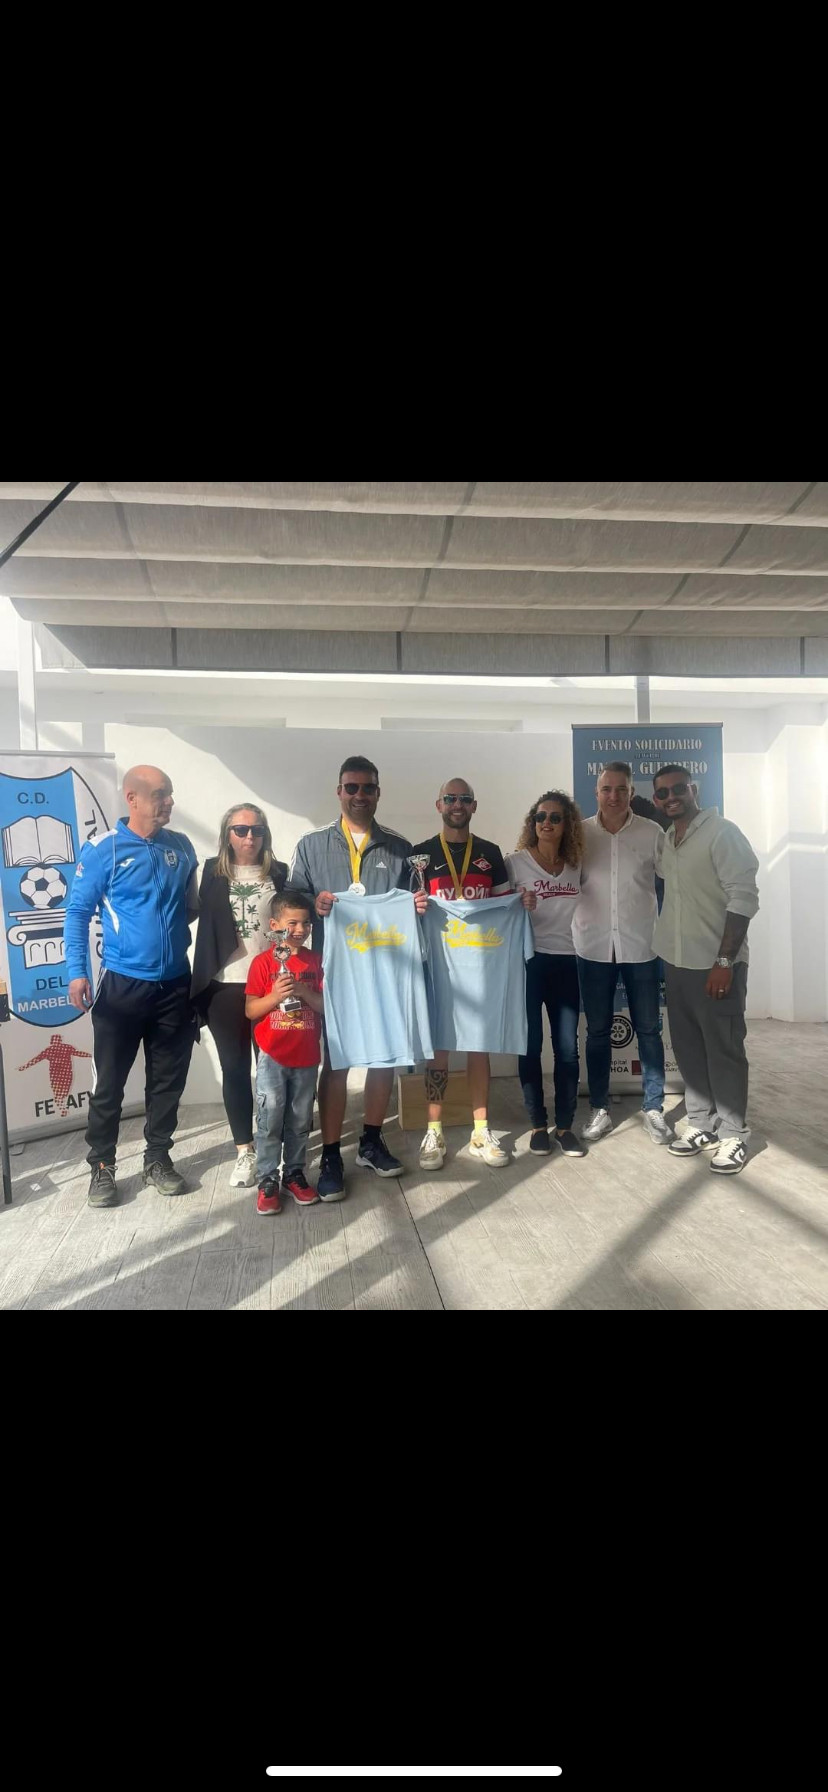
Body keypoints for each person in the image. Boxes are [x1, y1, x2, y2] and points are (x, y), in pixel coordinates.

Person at [64, 764, 199, 1208]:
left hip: (174, 986)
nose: (169, 802)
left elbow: (191, 907)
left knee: (167, 1082)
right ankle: (102, 1166)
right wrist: (77, 971)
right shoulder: (103, 848)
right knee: (109, 1085)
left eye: (171, 793)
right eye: (160, 794)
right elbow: (77, 913)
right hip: (122, 986)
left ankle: (157, 1158)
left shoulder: (182, 847)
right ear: (132, 798)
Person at [289, 755, 415, 1201]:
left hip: (385, 970)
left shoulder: (400, 848)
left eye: (368, 788)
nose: (360, 795)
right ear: (339, 791)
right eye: (352, 787)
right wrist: (314, 904)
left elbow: (414, 904)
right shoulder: (311, 845)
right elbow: (292, 900)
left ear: (378, 793)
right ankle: (330, 1155)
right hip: (335, 970)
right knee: (337, 1061)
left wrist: (417, 907)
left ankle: (371, 1141)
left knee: (383, 1057)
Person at [411, 777, 535, 1172]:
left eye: (464, 799)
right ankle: (434, 1130)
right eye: (450, 798)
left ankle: (481, 1130)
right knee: (440, 1047)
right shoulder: (420, 855)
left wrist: (521, 901)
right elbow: (406, 913)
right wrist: (412, 906)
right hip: (440, 965)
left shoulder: (490, 853)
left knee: (479, 1046)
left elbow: (502, 904)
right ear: (439, 805)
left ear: (474, 806)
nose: (457, 804)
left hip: (482, 965)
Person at [652, 765, 759, 1175]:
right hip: (677, 962)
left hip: (716, 965)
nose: (671, 797)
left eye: (678, 789)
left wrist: (724, 961)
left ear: (693, 789)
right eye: (663, 793)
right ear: (657, 800)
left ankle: (733, 1134)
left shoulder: (723, 833)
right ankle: (701, 1124)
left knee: (724, 1050)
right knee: (689, 1048)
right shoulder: (668, 839)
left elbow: (743, 898)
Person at [572, 761, 672, 1146]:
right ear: (596, 793)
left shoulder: (652, 833)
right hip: (592, 946)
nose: (613, 796)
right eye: (606, 789)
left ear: (631, 792)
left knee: (648, 1029)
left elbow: (674, 880)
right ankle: (600, 1107)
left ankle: (654, 1107)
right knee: (597, 1031)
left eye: (621, 789)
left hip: (641, 945)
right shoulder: (579, 834)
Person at [191, 804, 287, 1188]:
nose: (249, 837)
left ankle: (274, 1144)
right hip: (224, 986)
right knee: (234, 1068)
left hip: (269, 984)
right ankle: (244, 1150)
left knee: (272, 1068)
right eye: (241, 829)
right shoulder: (210, 874)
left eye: (257, 830)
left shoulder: (280, 873)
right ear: (227, 834)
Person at [506, 791, 586, 1159]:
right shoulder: (515, 863)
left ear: (567, 824)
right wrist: (516, 903)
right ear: (532, 822)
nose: (547, 823)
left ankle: (565, 1126)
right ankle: (538, 1125)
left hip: (567, 961)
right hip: (528, 961)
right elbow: (495, 907)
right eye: (540, 817)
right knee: (530, 1045)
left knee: (567, 1049)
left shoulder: (576, 865)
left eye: (555, 817)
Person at [245, 889, 324, 1214]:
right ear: (275, 925)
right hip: (272, 1057)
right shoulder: (263, 963)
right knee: (270, 1119)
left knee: (300, 1119)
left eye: (306, 923)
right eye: (293, 923)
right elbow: (251, 1010)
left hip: (306, 1057)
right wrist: (276, 996)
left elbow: (325, 1007)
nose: (300, 930)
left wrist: (303, 990)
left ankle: (294, 1173)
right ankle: (267, 1179)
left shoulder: (315, 961)